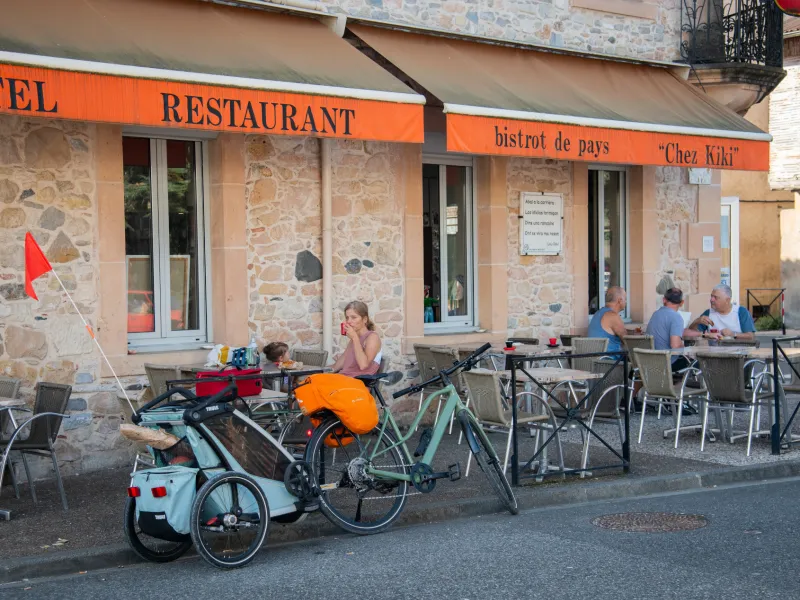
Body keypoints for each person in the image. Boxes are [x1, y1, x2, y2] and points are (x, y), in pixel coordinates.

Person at [645, 288, 698, 413]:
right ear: (682, 303)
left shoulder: (655, 314)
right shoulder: (676, 317)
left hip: (650, 361)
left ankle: (668, 399)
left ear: (664, 300)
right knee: (696, 364)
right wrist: (685, 347)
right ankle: (674, 400)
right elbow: (675, 345)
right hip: (667, 362)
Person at [687, 284, 756, 341]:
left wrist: (733, 334)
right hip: (712, 354)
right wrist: (696, 321)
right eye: (711, 296)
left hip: (738, 353)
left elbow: (751, 336)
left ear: (727, 300)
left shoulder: (741, 311)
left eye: (716, 297)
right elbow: (690, 334)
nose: (711, 300)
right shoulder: (708, 313)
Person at [332, 301, 382, 377]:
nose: (349, 321)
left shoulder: (372, 337)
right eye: (347, 318)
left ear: (365, 319)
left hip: (358, 383)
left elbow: (363, 365)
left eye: (353, 317)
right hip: (344, 379)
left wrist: (354, 337)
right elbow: (339, 363)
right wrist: (319, 372)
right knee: (312, 381)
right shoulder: (354, 339)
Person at [587, 286, 627, 353]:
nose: (626, 302)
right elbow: (627, 340)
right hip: (609, 360)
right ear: (620, 301)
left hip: (595, 359)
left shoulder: (598, 313)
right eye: (625, 299)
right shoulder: (612, 315)